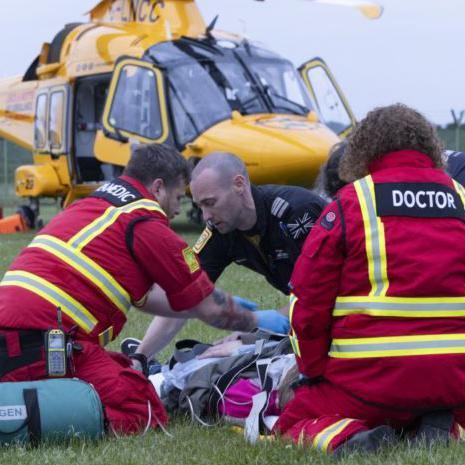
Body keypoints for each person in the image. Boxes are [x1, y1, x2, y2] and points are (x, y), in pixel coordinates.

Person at [0, 143, 279, 435]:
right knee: (142, 408)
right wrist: (256, 321)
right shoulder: (146, 221)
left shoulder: (94, 206)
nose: (175, 210)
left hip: (24, 334)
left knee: (125, 367)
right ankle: (17, 417)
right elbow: (208, 308)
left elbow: (148, 300)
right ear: (158, 188)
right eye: (177, 197)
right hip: (44, 342)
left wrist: (219, 301)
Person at [276, 104, 465, 454]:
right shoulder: (461, 198)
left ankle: (349, 438)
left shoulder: (352, 202)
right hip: (455, 379)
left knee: (293, 421)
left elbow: (307, 303)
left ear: (364, 149)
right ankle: (446, 427)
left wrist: (314, 372)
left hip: (369, 381)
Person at [133, 152, 327, 359]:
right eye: (200, 207)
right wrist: (140, 357)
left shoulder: (297, 213)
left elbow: (321, 297)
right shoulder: (220, 232)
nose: (206, 216)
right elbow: (186, 293)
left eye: (210, 203)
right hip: (309, 317)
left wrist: (253, 335)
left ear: (239, 184)